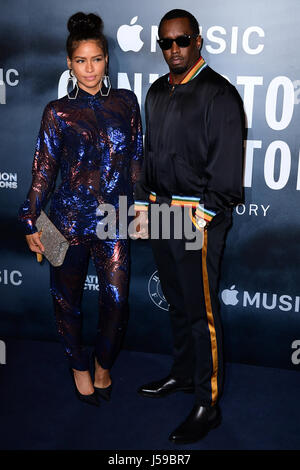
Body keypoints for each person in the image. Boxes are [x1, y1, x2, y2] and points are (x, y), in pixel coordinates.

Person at [19, 12, 143, 407]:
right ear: (69, 65)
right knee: (65, 301)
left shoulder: (127, 102)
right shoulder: (57, 112)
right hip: (63, 223)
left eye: (97, 59)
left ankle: (103, 362)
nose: (89, 69)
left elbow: (137, 161)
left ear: (107, 60)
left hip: (115, 219)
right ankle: (78, 367)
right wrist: (30, 220)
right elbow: (43, 170)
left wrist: (139, 207)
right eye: (80, 61)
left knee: (117, 301)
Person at [134, 9, 244, 443]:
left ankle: (207, 403)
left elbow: (226, 178)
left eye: (181, 40)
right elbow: (152, 157)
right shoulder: (157, 91)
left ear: (198, 41)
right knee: (177, 303)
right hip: (162, 213)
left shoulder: (220, 95)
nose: (174, 49)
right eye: (166, 42)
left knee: (202, 314)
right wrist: (147, 207)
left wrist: (196, 223)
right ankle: (182, 374)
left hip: (198, 219)